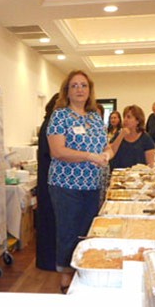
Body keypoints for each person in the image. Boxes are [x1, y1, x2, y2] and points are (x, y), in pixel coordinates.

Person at [47, 70, 111, 293]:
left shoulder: (94, 117)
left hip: (92, 185)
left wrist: (107, 154)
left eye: (83, 85)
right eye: (74, 86)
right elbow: (57, 151)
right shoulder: (60, 116)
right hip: (66, 185)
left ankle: (83, 274)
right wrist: (89, 156)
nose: (79, 89)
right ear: (67, 90)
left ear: (90, 90)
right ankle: (66, 280)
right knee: (68, 231)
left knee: (87, 231)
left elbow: (105, 145)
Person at [35, 93, 58, 271]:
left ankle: (48, 260)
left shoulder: (48, 122)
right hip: (50, 179)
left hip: (47, 177)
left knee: (48, 220)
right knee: (50, 220)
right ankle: (49, 261)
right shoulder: (51, 125)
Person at [109, 105, 155, 170]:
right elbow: (110, 153)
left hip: (137, 176)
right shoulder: (118, 135)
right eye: (124, 117)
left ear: (138, 121)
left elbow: (150, 165)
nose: (125, 120)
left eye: (129, 117)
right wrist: (121, 135)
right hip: (118, 176)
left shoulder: (146, 139)